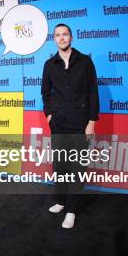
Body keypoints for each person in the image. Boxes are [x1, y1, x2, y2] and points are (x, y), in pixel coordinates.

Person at [41, 23, 99, 229]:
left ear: (71, 37)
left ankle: (71, 210)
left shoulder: (85, 62)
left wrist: (91, 123)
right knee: (61, 166)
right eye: (57, 35)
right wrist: (49, 116)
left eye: (65, 34)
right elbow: (45, 93)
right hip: (58, 125)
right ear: (54, 39)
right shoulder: (49, 65)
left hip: (80, 125)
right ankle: (61, 201)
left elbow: (93, 93)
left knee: (77, 169)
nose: (61, 38)